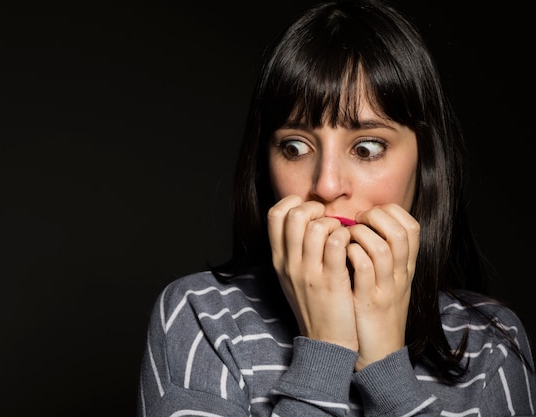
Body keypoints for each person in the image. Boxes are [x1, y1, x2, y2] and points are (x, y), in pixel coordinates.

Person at [136, 0, 536, 415]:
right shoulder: (201, 315)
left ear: (425, 160)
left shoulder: (492, 341)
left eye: (366, 148)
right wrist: (324, 351)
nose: (326, 185)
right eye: (295, 147)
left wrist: (386, 370)